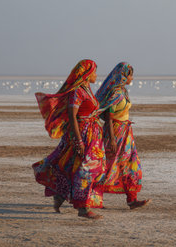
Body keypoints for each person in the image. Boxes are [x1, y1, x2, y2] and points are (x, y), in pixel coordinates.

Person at [32, 59, 105, 219]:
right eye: (94, 72)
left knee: (72, 166)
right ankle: (83, 208)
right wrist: (79, 140)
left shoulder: (88, 90)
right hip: (82, 135)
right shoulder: (77, 91)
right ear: (86, 74)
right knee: (86, 169)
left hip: (92, 136)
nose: (96, 75)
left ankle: (59, 195)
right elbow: (72, 116)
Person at [95, 62, 151, 209]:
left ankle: (132, 199)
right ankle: (94, 199)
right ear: (124, 76)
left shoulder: (123, 91)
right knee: (109, 164)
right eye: (130, 75)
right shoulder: (114, 93)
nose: (132, 78)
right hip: (115, 133)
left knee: (130, 165)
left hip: (126, 134)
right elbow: (108, 117)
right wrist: (112, 139)